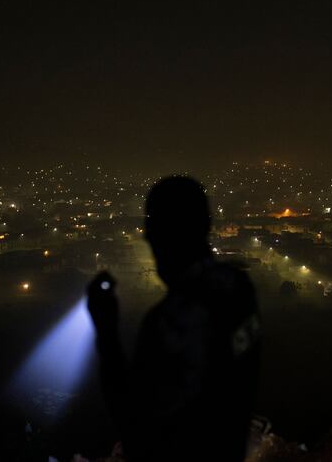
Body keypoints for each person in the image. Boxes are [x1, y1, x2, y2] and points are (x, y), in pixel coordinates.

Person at [87, 176, 260, 461]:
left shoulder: (172, 321)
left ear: (159, 234)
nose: (146, 236)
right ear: (206, 226)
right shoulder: (238, 287)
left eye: (152, 226)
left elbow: (135, 425)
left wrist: (107, 334)